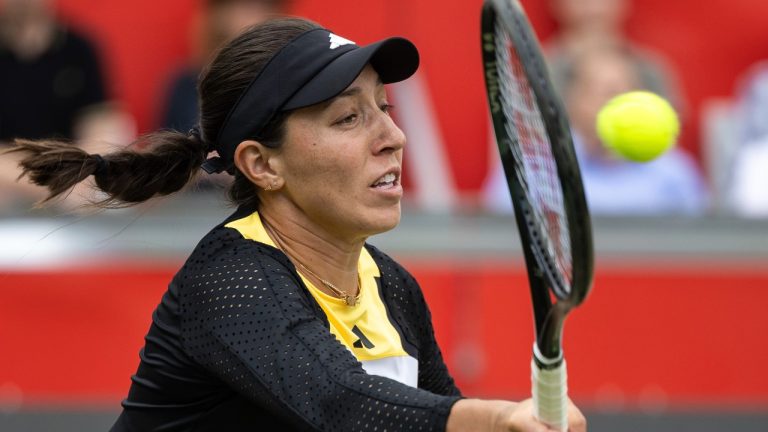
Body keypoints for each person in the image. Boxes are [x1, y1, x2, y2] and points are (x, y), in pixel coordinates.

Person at [8, 18, 586, 431]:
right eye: (349, 118)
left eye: (383, 107)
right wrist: (495, 418)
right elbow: (339, 402)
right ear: (262, 165)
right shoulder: (229, 280)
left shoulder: (394, 289)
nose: (393, 136)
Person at [484, 43, 708, 215]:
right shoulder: (530, 169)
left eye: (625, 89)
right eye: (600, 90)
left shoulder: (677, 173)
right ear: (570, 102)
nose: (614, 99)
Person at [0, 0, 133, 211]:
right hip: (11, 200)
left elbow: (104, 127)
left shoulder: (79, 49)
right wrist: (53, 184)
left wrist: (79, 173)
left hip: (72, 200)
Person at [159, 0, 286, 133]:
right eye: (247, 7)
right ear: (219, 15)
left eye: (266, 7)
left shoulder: (285, 81)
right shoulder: (187, 84)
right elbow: (172, 145)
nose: (259, 18)